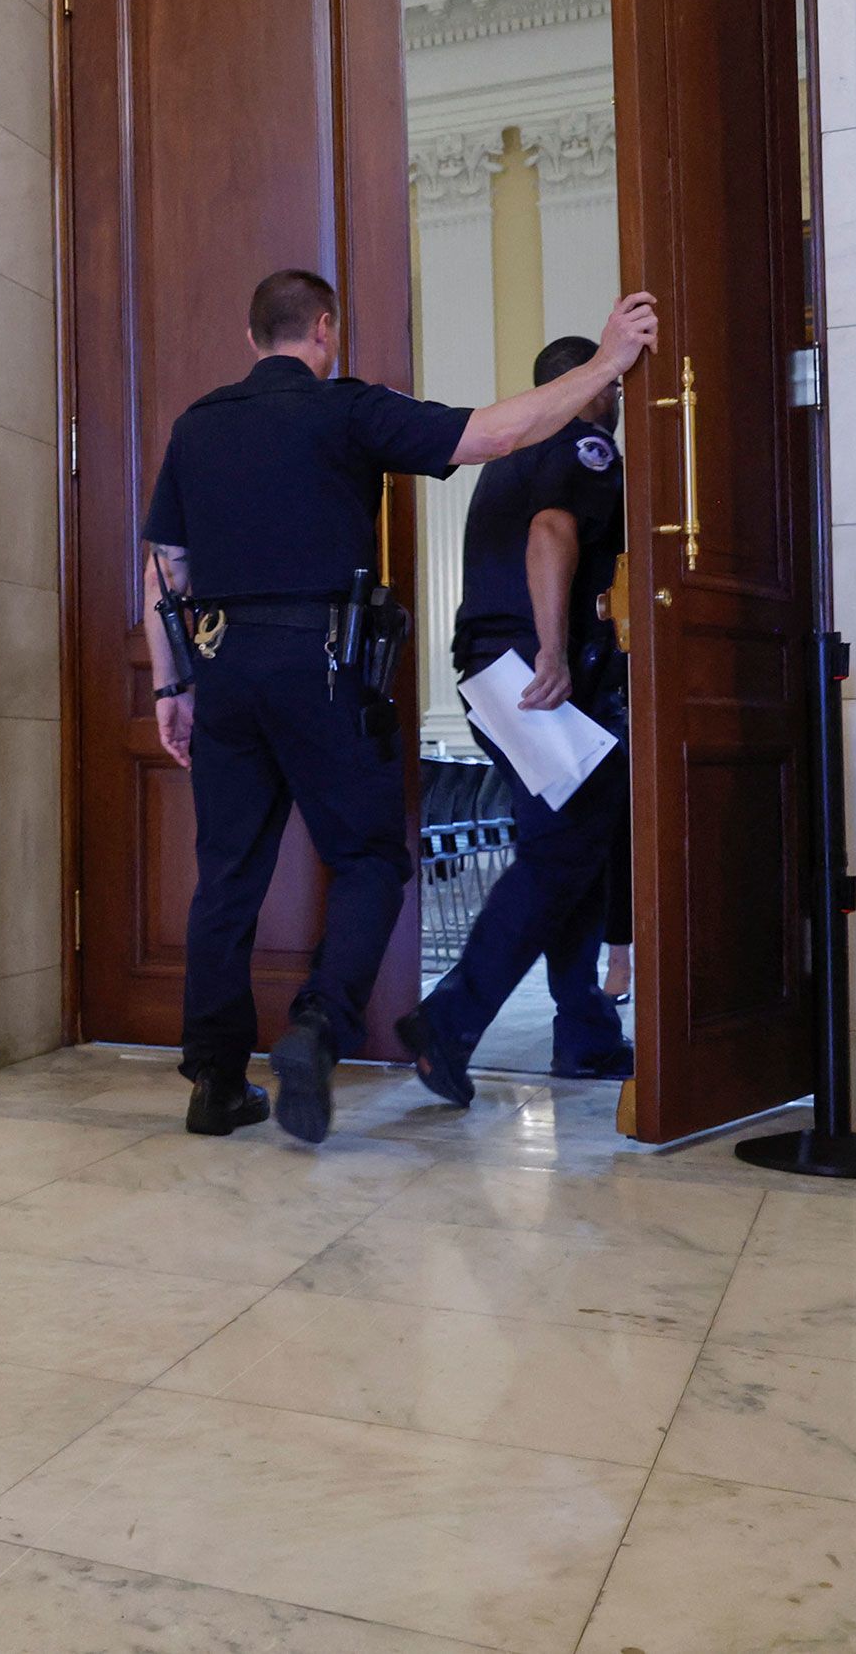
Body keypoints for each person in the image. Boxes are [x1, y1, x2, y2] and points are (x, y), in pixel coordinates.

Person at [146, 271, 655, 1144]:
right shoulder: (345, 409)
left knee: (226, 873)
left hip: (222, 663)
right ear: (326, 328)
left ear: (250, 333)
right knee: (372, 857)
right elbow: (492, 432)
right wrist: (608, 361)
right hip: (321, 662)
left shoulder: (198, 425)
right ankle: (316, 1026)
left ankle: (216, 1082)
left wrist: (171, 683)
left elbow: (163, 567)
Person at [397, 337, 634, 1099]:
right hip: (536, 677)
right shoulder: (583, 441)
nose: (620, 398)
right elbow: (551, 535)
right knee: (564, 852)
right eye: (614, 384)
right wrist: (557, 653)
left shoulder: (516, 452)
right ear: (583, 385)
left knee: (572, 842)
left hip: (489, 674)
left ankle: (584, 1031)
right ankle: (449, 1022)